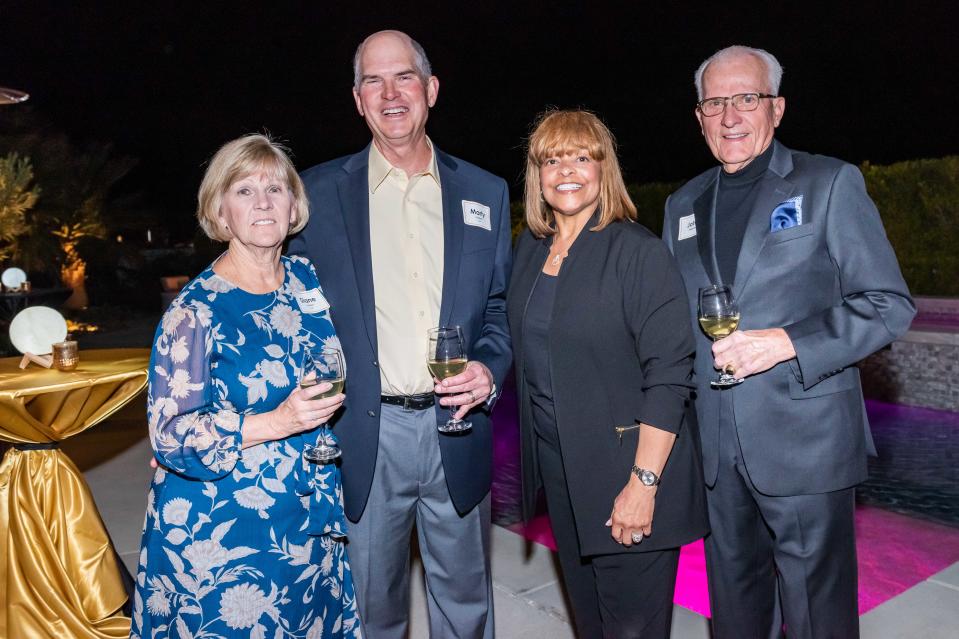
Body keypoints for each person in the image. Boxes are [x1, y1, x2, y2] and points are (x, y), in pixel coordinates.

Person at [663, 45, 916, 638]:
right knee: (735, 611)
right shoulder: (682, 205)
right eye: (715, 102)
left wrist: (786, 342)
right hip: (718, 451)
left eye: (746, 99)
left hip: (806, 444)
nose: (730, 116)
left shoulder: (829, 183)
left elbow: (888, 305)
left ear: (776, 108)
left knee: (815, 616)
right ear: (698, 116)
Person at [287, 30, 512, 638]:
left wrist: (489, 370)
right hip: (363, 433)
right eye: (373, 80)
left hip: (456, 427)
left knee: (465, 606)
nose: (391, 93)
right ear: (357, 99)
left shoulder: (485, 192)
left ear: (431, 89)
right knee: (371, 610)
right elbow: (272, 298)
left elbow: (499, 307)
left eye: (404, 76)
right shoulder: (315, 194)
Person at [132, 135, 360, 638]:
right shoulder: (194, 313)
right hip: (225, 533)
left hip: (308, 520)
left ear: (295, 205)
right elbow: (171, 436)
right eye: (243, 190)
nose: (262, 202)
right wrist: (277, 422)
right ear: (219, 211)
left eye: (275, 189)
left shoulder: (307, 279)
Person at [507, 109, 708, 638]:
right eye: (552, 159)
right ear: (537, 174)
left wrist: (643, 485)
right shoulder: (530, 249)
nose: (566, 170)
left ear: (603, 169)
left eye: (581, 156)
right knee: (592, 624)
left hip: (627, 474)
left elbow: (670, 375)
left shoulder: (637, 252)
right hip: (565, 477)